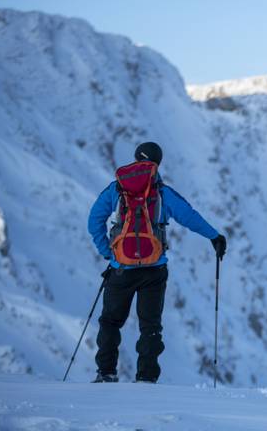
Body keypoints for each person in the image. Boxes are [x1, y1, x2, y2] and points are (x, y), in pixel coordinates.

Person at [87, 142, 227, 383]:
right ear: (157, 164)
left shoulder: (116, 189)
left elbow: (94, 221)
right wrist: (214, 236)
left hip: (121, 269)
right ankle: (146, 378)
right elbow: (189, 216)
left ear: (135, 158)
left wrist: (109, 253)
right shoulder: (162, 192)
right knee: (150, 325)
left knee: (110, 321)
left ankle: (106, 373)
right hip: (154, 268)